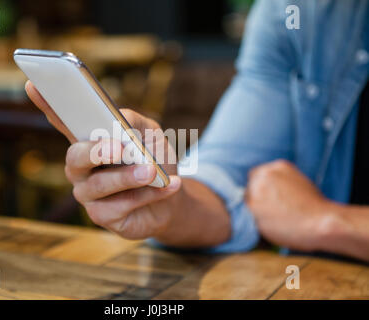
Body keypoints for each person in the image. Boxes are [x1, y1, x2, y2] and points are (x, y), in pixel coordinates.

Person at [26, 0, 369, 262]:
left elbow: (303, 215)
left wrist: (329, 221)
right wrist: (167, 206)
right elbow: (224, 176)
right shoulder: (293, 13)